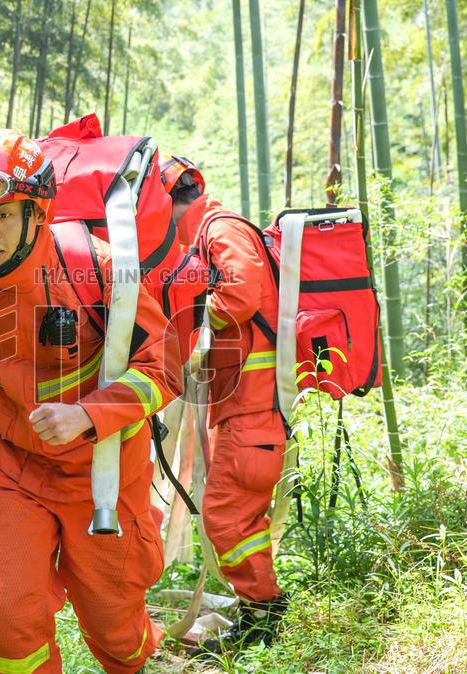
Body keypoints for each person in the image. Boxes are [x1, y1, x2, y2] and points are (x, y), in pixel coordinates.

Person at [0, 129, 182, 674]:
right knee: (6, 616)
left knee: (116, 627)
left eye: (2, 214)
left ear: (35, 211)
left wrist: (88, 415)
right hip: (10, 464)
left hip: (102, 470)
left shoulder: (96, 268)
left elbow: (162, 367)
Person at [162, 156, 290, 649]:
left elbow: (238, 296)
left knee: (225, 517)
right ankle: (262, 613)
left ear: (169, 201)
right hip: (246, 408)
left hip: (255, 411)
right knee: (239, 519)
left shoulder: (221, 228)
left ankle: (265, 617)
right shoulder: (206, 234)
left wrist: (190, 316)